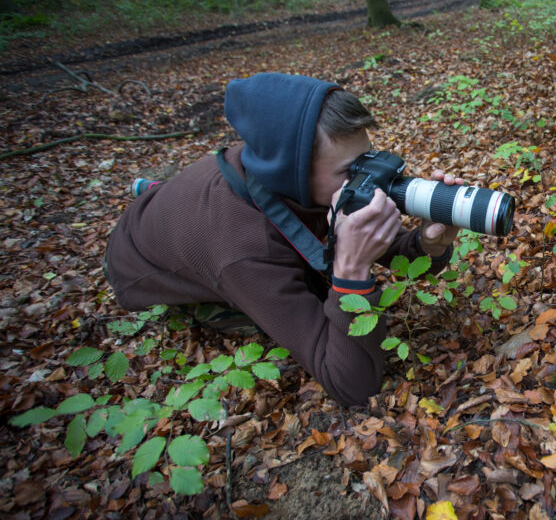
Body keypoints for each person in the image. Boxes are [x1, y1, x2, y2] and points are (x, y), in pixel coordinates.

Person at [104, 73, 459, 406]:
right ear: (292, 172)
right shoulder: (244, 250)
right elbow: (352, 384)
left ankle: (156, 194)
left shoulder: (297, 182)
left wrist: (430, 243)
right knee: (315, 291)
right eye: (349, 172)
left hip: (189, 211)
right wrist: (351, 271)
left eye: (366, 159)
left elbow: (390, 247)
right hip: (138, 265)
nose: (364, 178)